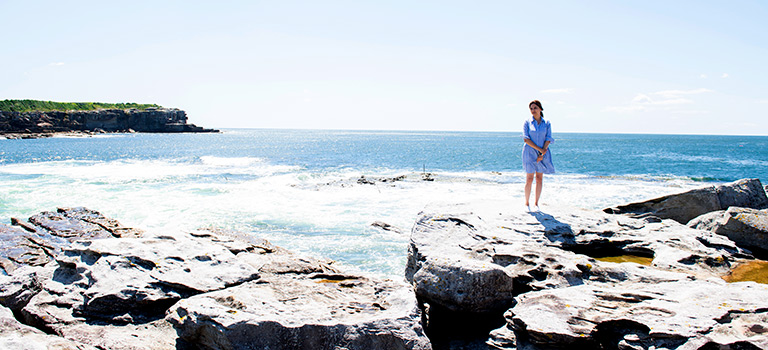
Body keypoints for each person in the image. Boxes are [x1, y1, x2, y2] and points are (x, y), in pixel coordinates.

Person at [522, 100, 554, 212]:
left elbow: (548, 138)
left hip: (542, 153)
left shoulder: (547, 123)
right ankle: (526, 204)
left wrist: (541, 153)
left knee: (539, 178)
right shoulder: (527, 122)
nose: (533, 110)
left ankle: (536, 204)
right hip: (529, 152)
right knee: (529, 178)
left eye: (535, 108)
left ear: (540, 109)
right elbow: (526, 139)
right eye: (531, 108)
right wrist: (540, 150)